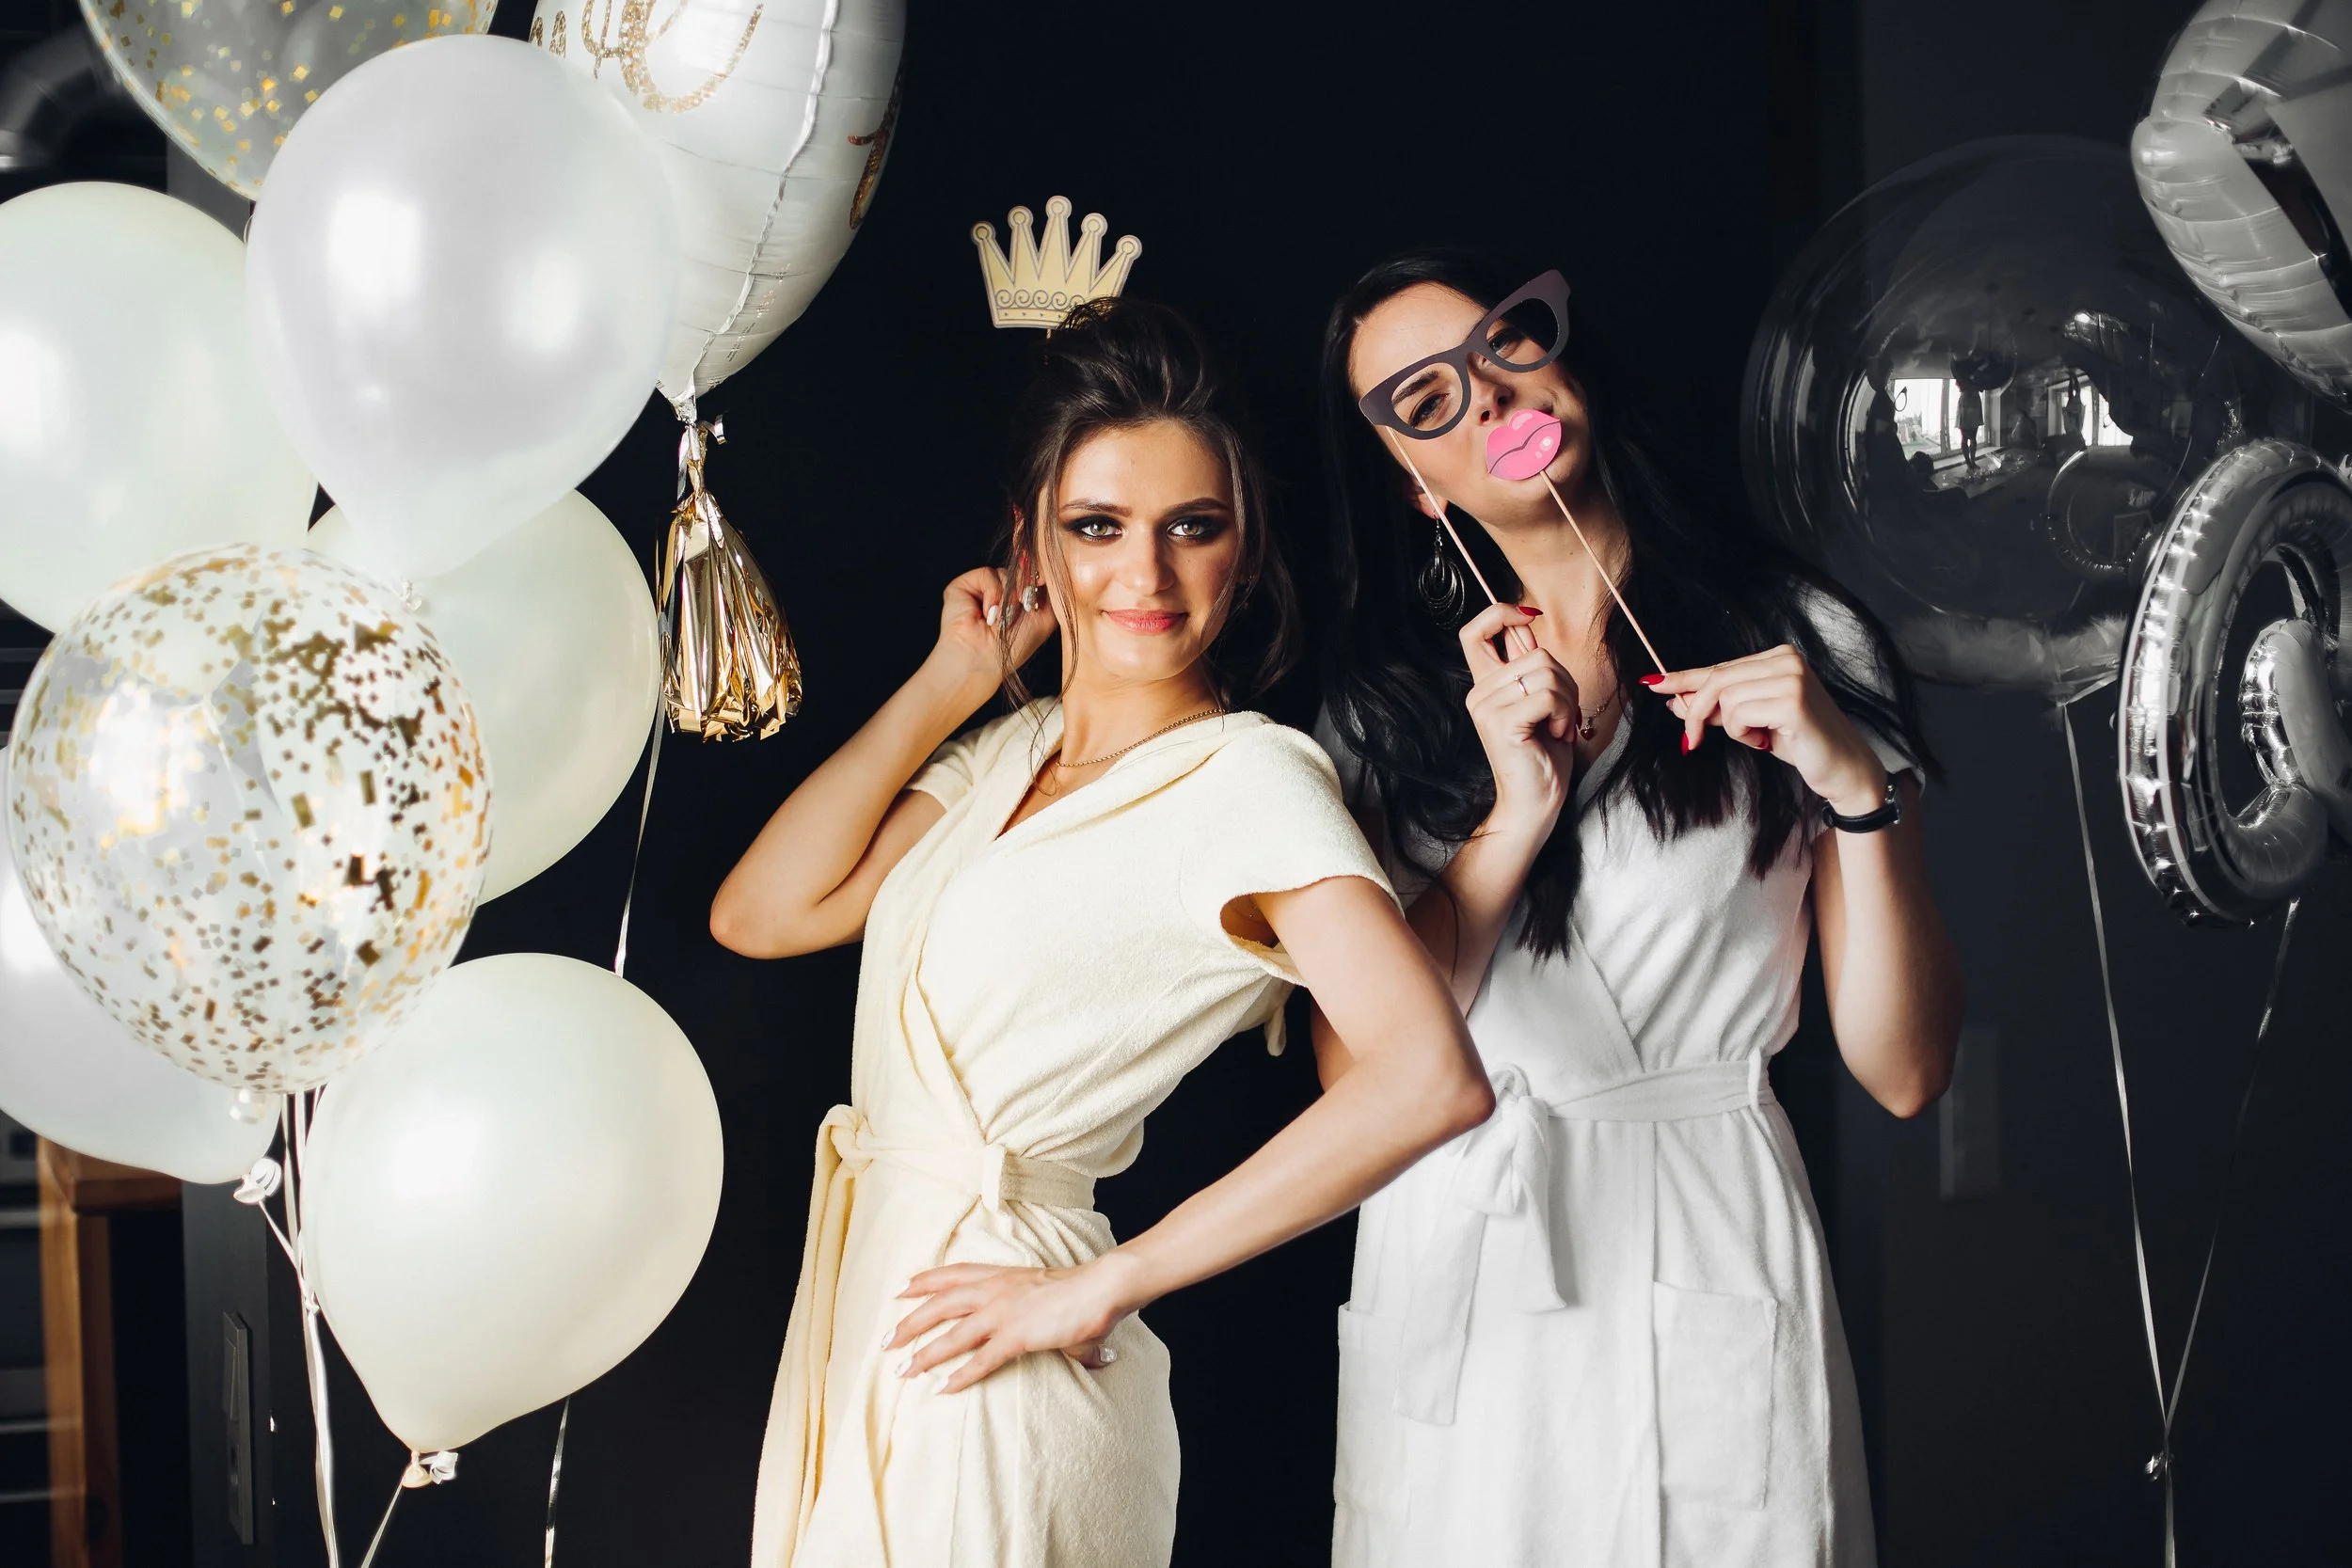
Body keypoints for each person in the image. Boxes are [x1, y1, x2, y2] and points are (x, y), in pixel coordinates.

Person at [713, 298, 1493, 1568]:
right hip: (873, 1307)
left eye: (1195, 527)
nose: (1146, 575)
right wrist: (955, 678)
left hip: (1008, 1339)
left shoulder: (1251, 783)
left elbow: (1429, 1078)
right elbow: (764, 911)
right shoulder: (1007, 753)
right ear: (1033, 544)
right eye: (1098, 527)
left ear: (1243, 552)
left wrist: (1106, 1282)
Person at [1312, 249, 1963, 1567]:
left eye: (1505, 345)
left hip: (1703, 1210)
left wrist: (1850, 780)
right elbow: (1361, 1077)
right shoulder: (1385, 709)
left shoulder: (1798, 637)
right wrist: (1515, 813)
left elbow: (1903, 1071)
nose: (1487, 399)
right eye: (1424, 401)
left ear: (1562, 352)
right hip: (1467, 1249)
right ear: (1410, 476)